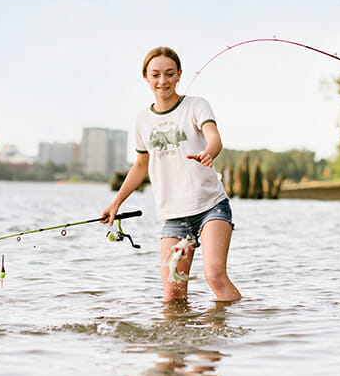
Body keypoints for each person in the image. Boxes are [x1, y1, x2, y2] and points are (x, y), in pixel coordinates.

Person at [101, 46, 242, 303]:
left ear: (179, 74)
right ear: (145, 76)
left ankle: (239, 333)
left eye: (169, 74)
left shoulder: (196, 105)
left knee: (214, 276)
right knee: (173, 296)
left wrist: (209, 152)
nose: (162, 81)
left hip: (211, 207)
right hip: (173, 217)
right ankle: (179, 344)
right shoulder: (142, 120)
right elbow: (141, 165)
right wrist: (116, 202)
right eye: (155, 75)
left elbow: (214, 137)